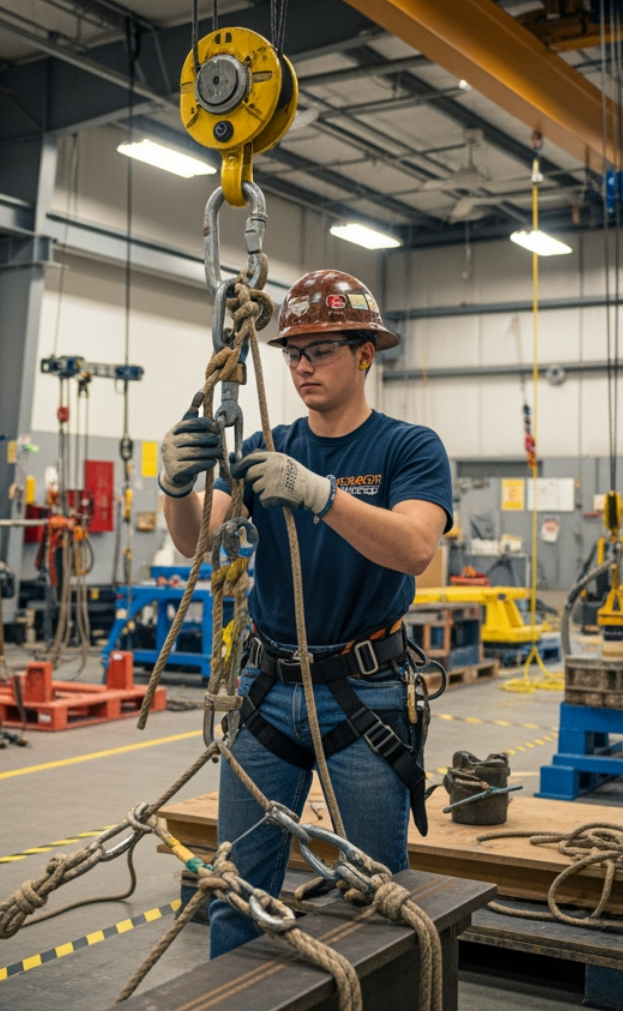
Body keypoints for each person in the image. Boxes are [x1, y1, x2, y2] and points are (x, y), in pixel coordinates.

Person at [159, 269, 453, 958]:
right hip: (270, 692)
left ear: (364, 354)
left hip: (364, 701)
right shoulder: (269, 444)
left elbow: (414, 548)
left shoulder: (408, 448)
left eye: (319, 350)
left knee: (375, 897)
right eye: (292, 352)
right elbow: (195, 539)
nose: (301, 365)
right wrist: (175, 484)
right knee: (237, 892)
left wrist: (321, 495)